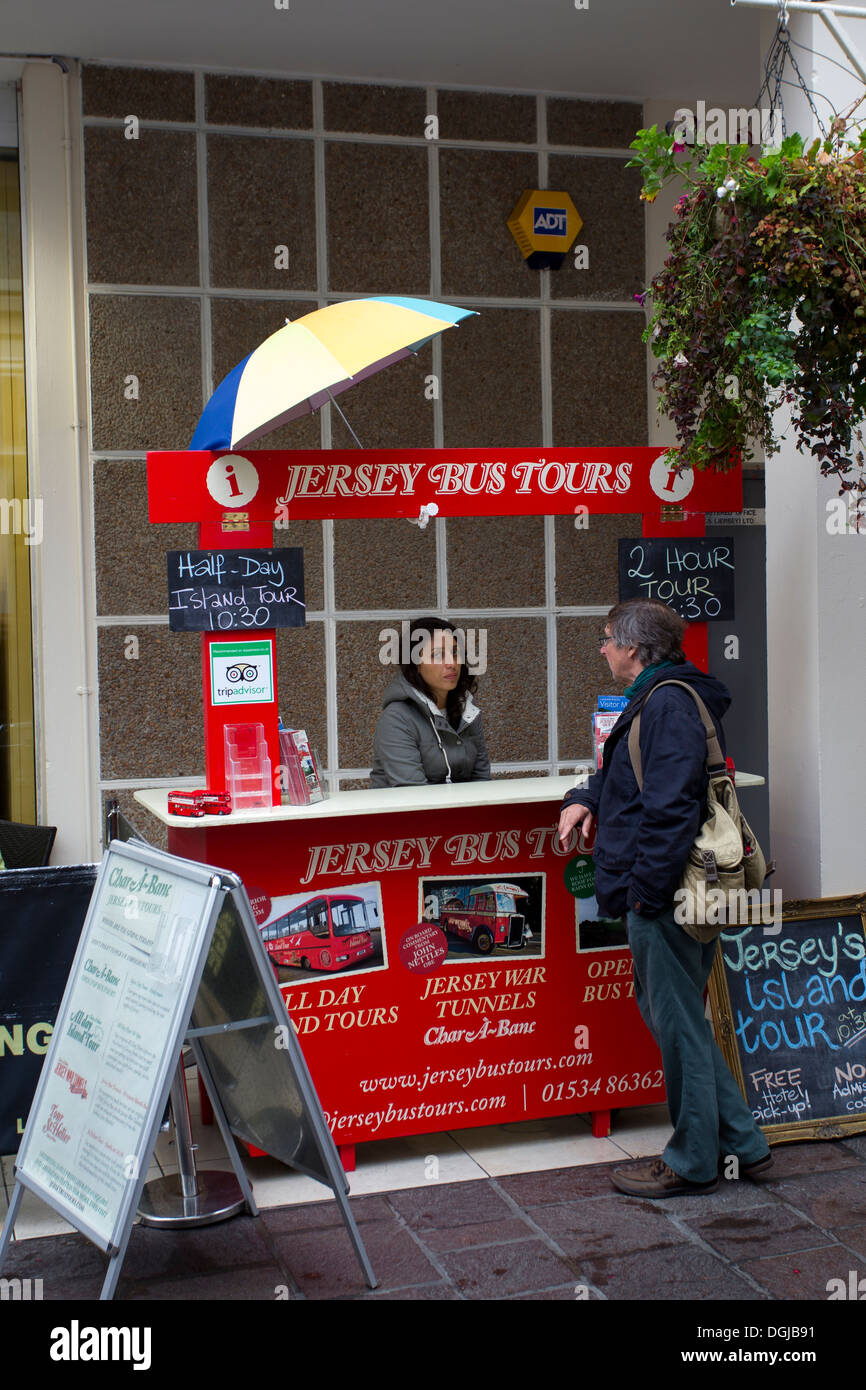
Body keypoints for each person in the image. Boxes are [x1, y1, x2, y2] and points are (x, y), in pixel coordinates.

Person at [558, 597, 771, 1197]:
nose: (602, 649)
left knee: (676, 1023)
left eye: (607, 640)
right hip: (673, 890)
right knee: (677, 1017)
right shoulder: (662, 694)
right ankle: (744, 1145)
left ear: (634, 648)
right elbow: (630, 777)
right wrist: (587, 794)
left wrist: (647, 893)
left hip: (670, 893)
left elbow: (670, 809)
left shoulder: (667, 703)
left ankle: (692, 1160)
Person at [370, 617, 491, 787]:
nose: (451, 663)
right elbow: (413, 795)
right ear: (416, 665)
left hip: (460, 812)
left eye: (455, 652)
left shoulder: (468, 711)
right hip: (411, 812)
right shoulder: (396, 718)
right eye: (438, 654)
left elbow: (482, 781)